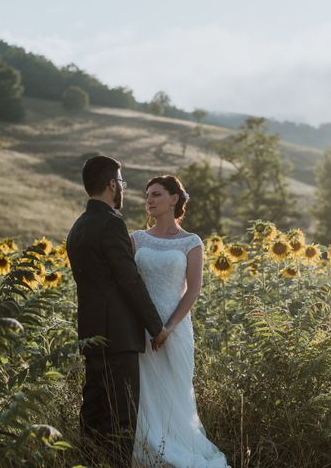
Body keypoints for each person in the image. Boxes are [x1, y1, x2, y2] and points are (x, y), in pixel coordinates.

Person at [66, 156, 169, 466]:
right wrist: (156, 325)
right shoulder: (112, 223)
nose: (122, 188)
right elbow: (129, 280)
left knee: (94, 413)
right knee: (122, 420)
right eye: (121, 182)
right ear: (112, 185)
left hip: (91, 333)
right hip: (119, 336)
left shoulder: (78, 226)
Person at [130, 175, 228, 467]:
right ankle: (147, 451)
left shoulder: (191, 242)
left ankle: (180, 450)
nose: (150, 200)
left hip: (175, 328)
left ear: (174, 199)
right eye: (147, 195)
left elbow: (193, 290)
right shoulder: (136, 239)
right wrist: (150, 327)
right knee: (146, 394)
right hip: (142, 328)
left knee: (175, 394)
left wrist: (168, 328)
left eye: (157, 194)